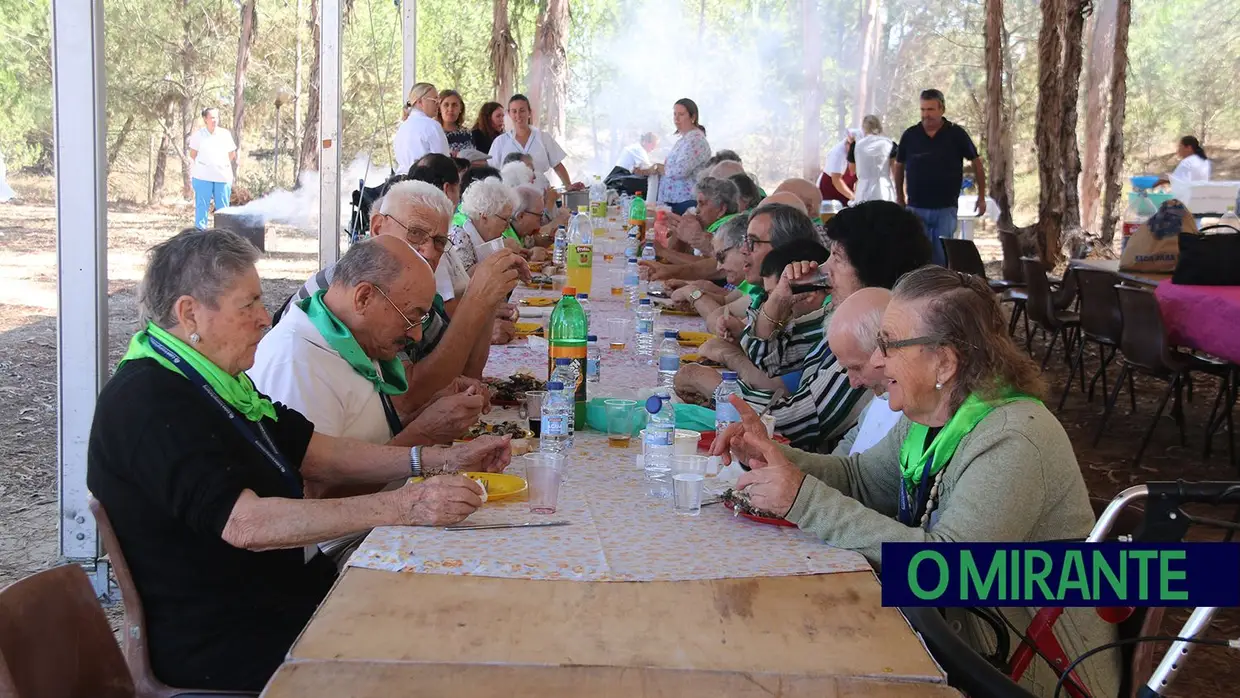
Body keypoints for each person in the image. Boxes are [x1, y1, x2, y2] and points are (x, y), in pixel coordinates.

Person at [87, 228, 513, 691]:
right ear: (189, 312)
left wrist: (435, 460)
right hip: (226, 640)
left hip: (282, 597)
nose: (265, 318)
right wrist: (405, 507)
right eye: (247, 305)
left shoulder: (217, 379)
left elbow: (319, 453)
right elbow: (246, 524)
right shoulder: (147, 402)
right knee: (437, 651)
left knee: (457, 611)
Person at [713, 265, 1119, 698]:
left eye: (888, 345)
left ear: (944, 360)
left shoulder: (1014, 438)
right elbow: (861, 480)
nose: (874, 361)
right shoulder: (934, 415)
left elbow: (946, 571)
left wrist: (803, 500)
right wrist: (773, 454)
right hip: (959, 642)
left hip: (1025, 673)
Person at [274, 181, 522, 411]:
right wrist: (475, 299)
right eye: (415, 233)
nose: (427, 250)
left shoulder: (412, 290)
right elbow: (407, 397)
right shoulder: (345, 286)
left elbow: (466, 370)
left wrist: (490, 298)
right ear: (377, 227)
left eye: (438, 241)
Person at [252, 236, 487, 451]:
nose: (415, 335)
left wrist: (431, 411)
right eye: (410, 318)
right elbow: (317, 494)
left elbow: (369, 440)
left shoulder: (351, 335)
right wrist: (423, 434)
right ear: (364, 297)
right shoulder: (297, 366)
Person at [737, 201, 932, 452]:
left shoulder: (874, 337)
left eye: (837, 259)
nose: (823, 269)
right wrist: (778, 299)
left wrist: (720, 393)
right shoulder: (840, 313)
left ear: (871, 268)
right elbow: (767, 358)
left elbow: (795, 423)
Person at [894, 89, 986, 266]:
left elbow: (976, 163)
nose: (926, 115)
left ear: (941, 109)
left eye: (930, 109)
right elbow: (899, 165)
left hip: (946, 207)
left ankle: (941, 290)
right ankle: (920, 291)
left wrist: (981, 196)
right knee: (918, 255)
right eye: (922, 110)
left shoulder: (956, 134)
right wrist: (899, 195)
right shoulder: (910, 135)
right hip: (916, 206)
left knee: (943, 255)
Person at [826, 288, 902, 455]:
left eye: (856, 368)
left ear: (884, 351)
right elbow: (848, 452)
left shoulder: (918, 411)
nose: (853, 383)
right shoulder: (883, 395)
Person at [487, 94, 581, 192]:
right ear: (509, 114)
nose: (518, 115)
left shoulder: (543, 137)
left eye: (522, 110)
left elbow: (557, 165)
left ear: (529, 112)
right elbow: (493, 170)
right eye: (514, 111)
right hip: (512, 198)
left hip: (541, 194)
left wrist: (568, 185)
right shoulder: (500, 142)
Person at [449, 177, 520, 276]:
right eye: (505, 220)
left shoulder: (493, 236)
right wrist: (499, 251)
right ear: (485, 216)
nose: (508, 227)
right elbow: (465, 279)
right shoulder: (459, 236)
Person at [655, 98, 712, 214]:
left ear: (693, 117)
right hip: (673, 201)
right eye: (674, 114)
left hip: (685, 202)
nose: (676, 119)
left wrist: (659, 168)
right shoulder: (685, 139)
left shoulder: (696, 140)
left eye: (681, 114)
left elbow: (680, 170)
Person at [188, 107, 238, 229]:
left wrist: (219, 164)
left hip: (222, 177)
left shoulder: (225, 134)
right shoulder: (198, 135)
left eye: (216, 117)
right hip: (202, 177)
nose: (215, 120)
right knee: (202, 207)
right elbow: (193, 154)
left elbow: (232, 154)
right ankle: (200, 235)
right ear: (205, 119)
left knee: (223, 209)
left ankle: (223, 236)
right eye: (212, 117)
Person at [393, 83, 449, 174]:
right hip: (425, 182)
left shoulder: (402, 127)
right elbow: (444, 161)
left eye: (438, 100)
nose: (438, 104)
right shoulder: (432, 126)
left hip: (402, 181)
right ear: (420, 102)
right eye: (434, 100)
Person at [849, 114, 897, 203]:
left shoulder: (856, 145)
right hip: (884, 189)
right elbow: (895, 171)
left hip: (863, 189)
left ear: (863, 128)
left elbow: (852, 170)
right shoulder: (890, 144)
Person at [818, 129, 859, 206]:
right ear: (848, 143)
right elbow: (836, 180)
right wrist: (853, 197)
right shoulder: (838, 153)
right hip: (830, 190)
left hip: (846, 191)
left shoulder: (860, 153)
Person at [436, 89, 473, 155]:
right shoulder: (434, 132)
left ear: (460, 108)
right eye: (446, 105)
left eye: (454, 105)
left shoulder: (467, 133)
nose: (450, 109)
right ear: (439, 108)